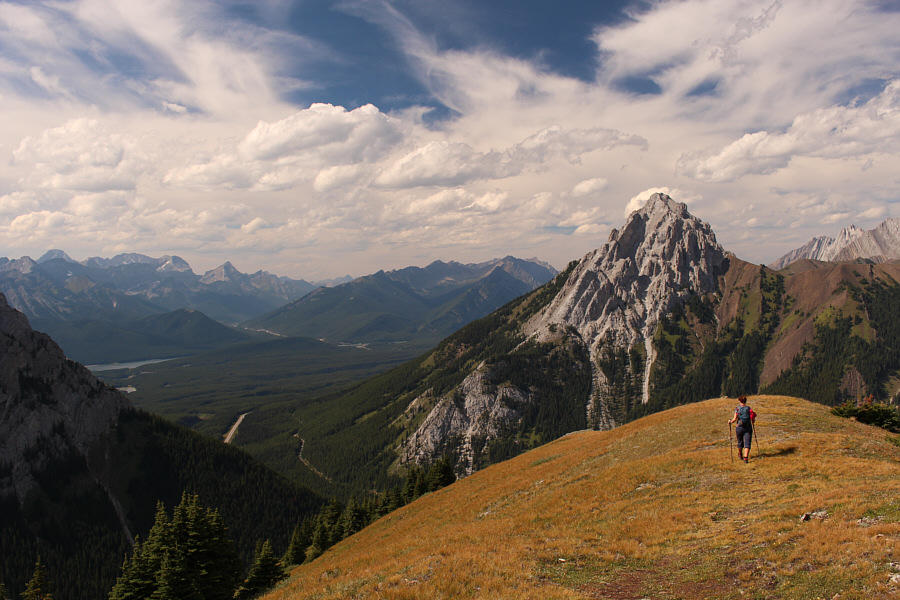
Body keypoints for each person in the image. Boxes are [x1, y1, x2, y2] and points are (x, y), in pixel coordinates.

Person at [728, 395, 756, 463]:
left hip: (739, 427)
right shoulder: (749, 408)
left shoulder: (737, 408)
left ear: (740, 401)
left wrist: (730, 421)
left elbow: (734, 419)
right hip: (748, 427)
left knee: (740, 442)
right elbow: (752, 419)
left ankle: (740, 454)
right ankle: (745, 458)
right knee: (747, 442)